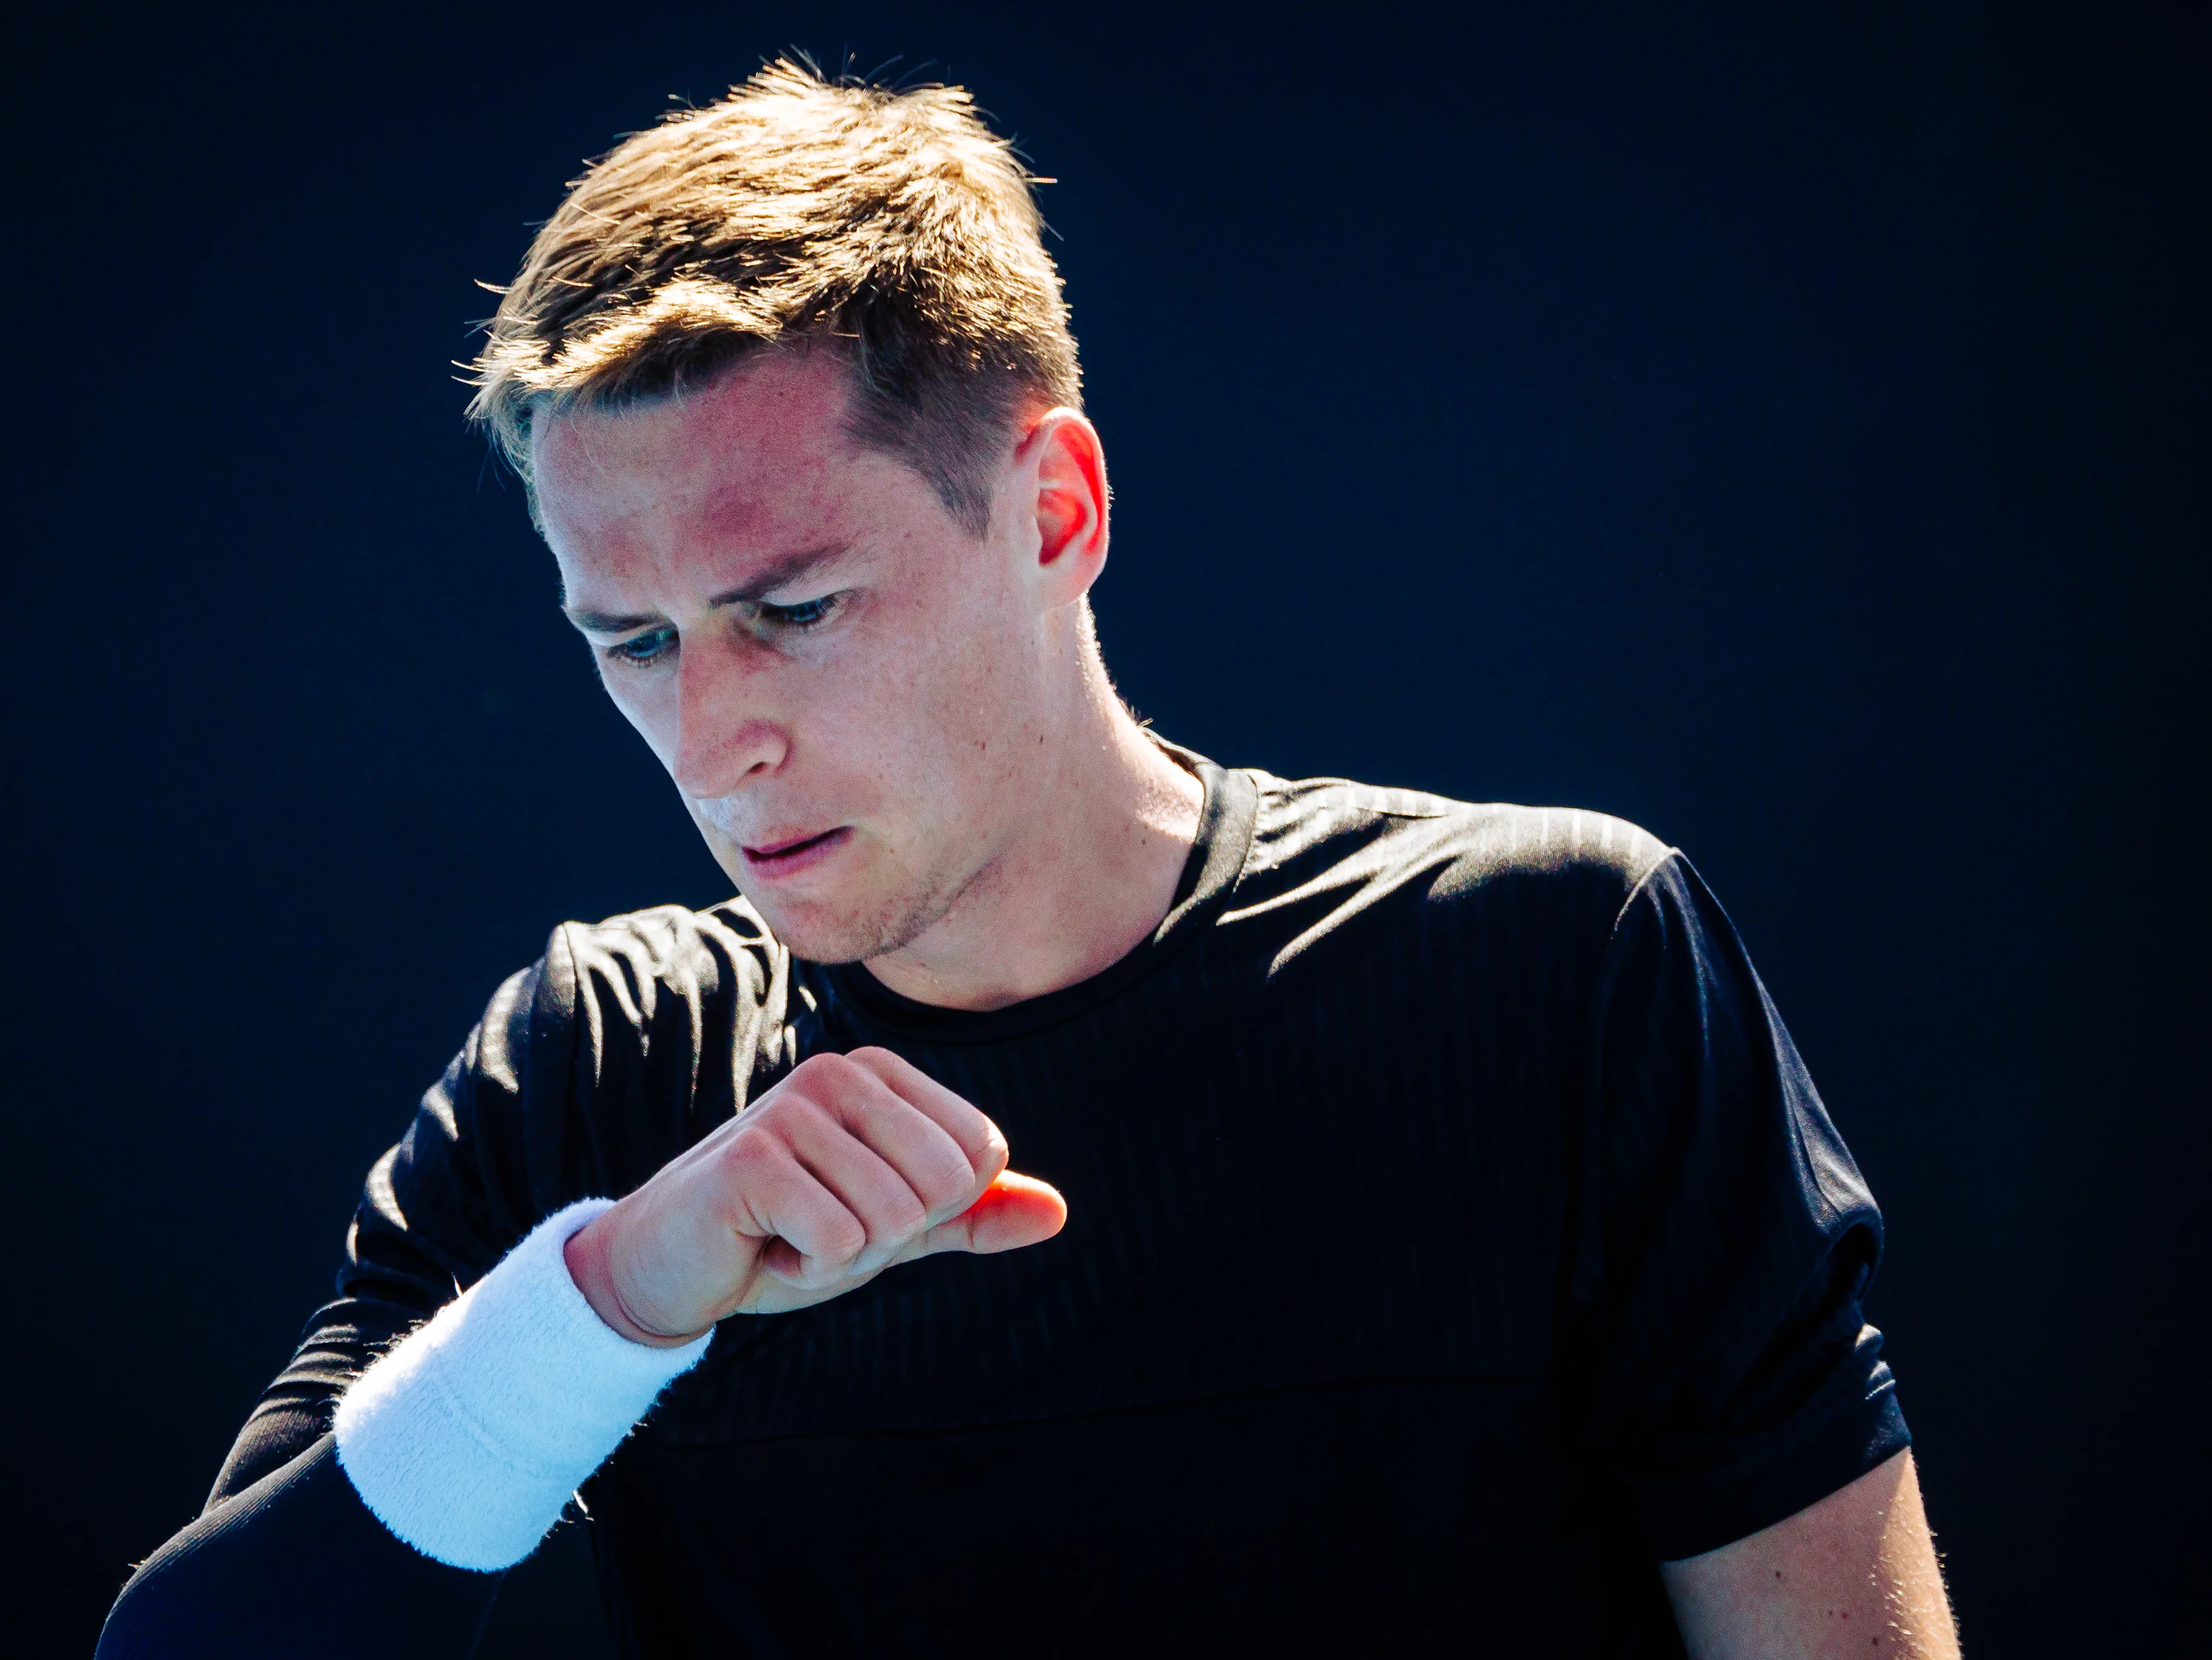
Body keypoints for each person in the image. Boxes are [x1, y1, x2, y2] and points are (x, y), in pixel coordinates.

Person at [97, 60, 1960, 1659]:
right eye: (632, 641)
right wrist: (614, 1296)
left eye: (795, 607)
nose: (712, 736)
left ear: (1054, 508)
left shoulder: (1556, 963)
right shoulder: (605, 1076)